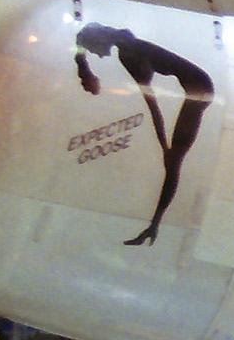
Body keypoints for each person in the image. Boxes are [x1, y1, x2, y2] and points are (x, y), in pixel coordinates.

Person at [74, 23, 215, 246]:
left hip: (200, 89)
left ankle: (155, 225)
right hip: (198, 87)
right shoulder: (126, 45)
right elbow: (80, 40)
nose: (98, 55)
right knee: (173, 163)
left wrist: (164, 147)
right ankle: (154, 225)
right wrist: (82, 63)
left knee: (174, 162)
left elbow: (153, 106)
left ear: (99, 41)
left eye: (94, 50)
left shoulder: (128, 52)